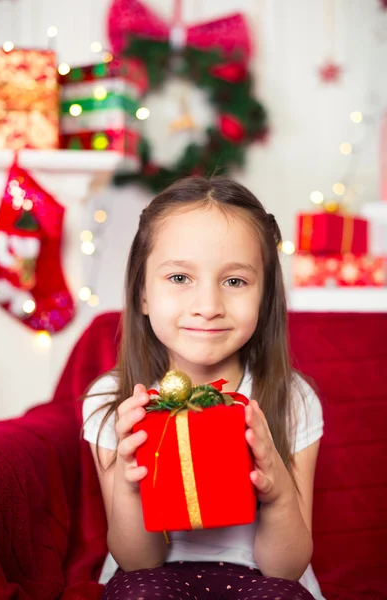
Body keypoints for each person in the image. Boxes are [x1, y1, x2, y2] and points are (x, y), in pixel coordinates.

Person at [82, 176, 325, 600]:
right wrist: (128, 478)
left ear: (265, 297)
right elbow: (137, 560)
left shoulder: (292, 398)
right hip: (152, 575)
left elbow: (284, 568)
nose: (209, 306)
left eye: (235, 282)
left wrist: (276, 488)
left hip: (261, 579)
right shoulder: (112, 399)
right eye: (179, 278)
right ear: (142, 293)